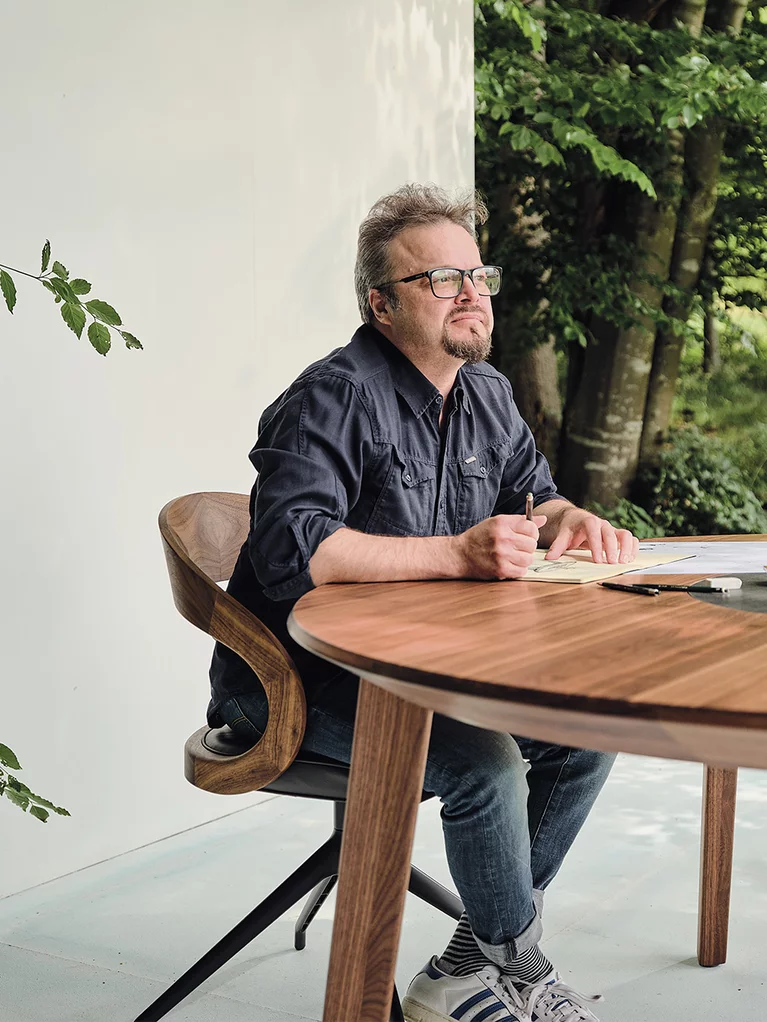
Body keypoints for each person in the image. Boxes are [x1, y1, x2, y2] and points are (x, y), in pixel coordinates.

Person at [208, 184, 639, 1022]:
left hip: (428, 671)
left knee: (585, 729)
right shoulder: (331, 396)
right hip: (299, 685)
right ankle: (518, 969)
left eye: (477, 273)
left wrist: (566, 518)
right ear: (381, 304)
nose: (471, 292)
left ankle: (465, 966)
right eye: (442, 279)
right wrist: (457, 552)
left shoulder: (485, 394)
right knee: (485, 765)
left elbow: (532, 497)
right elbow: (296, 550)